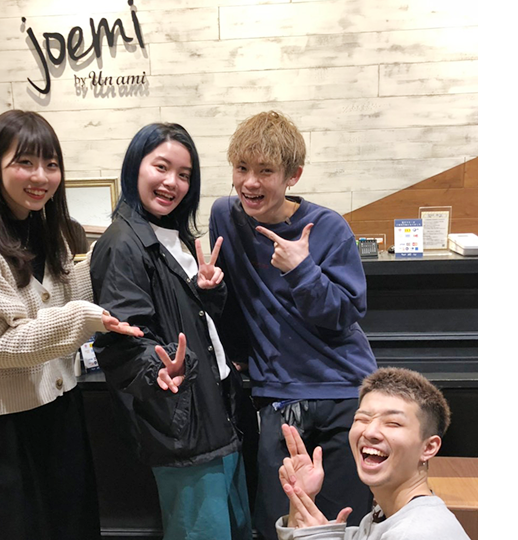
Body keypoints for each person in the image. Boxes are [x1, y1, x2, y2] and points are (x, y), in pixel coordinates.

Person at [0, 109, 143, 540]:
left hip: (61, 409)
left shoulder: (50, 231)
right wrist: (85, 318)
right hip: (4, 428)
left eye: (51, 164)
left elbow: (71, 293)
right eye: (25, 162)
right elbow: (2, 345)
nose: (41, 176)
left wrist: (114, 252)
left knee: (74, 525)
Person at [208, 110, 378, 539]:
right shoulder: (225, 217)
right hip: (280, 394)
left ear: (292, 176)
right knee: (278, 522)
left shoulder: (328, 227)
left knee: (343, 521)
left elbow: (346, 313)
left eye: (265, 171)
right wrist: (210, 293)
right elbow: (233, 303)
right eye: (241, 168)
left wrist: (302, 272)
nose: (250, 182)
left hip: (343, 388)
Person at [89, 122, 253, 540]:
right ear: (135, 167)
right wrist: (158, 370)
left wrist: (208, 291)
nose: (172, 183)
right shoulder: (122, 244)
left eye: (184, 174)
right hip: (183, 427)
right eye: (161, 167)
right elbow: (123, 341)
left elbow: (186, 319)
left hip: (216, 415)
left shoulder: (175, 236)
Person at [275, 367, 470, 540]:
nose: (369, 432)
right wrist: (301, 498)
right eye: (362, 419)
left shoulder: (418, 532)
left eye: (393, 423)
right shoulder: (383, 517)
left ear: (428, 448)